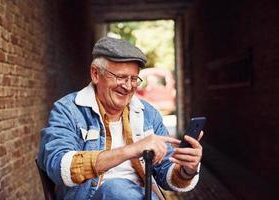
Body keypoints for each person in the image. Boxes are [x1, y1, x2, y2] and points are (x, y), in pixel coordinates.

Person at [37, 36, 203, 200]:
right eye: (121, 77)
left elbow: (165, 173)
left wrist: (187, 169)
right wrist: (131, 150)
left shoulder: (148, 114)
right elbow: (58, 166)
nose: (128, 86)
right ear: (95, 74)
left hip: (142, 196)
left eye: (134, 79)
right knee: (116, 188)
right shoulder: (68, 110)